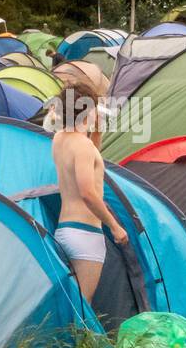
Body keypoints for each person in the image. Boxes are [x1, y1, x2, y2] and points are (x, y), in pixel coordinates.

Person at [50, 83, 128, 303]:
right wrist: (114, 226)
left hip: (65, 229)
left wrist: (96, 130)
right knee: (82, 307)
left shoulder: (60, 139)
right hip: (86, 234)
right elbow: (87, 192)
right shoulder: (82, 146)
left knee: (70, 304)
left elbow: (91, 159)